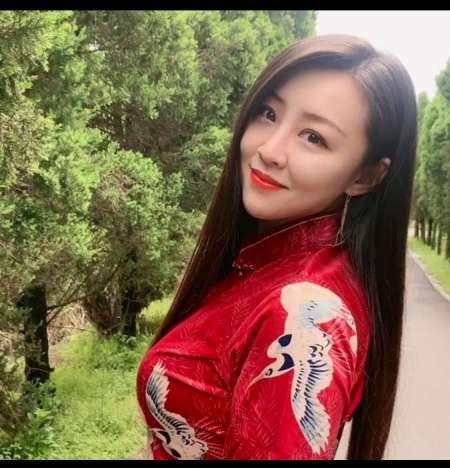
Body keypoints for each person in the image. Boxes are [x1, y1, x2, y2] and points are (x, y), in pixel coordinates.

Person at [136, 34, 417, 460]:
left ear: (365, 176)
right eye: (268, 114)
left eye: (314, 137)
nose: (270, 150)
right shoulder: (264, 265)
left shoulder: (299, 314)